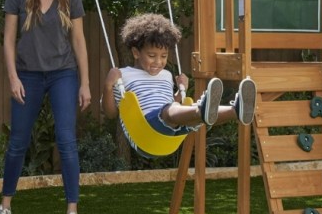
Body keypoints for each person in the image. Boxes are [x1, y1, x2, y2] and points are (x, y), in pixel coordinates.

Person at [0, 0, 91, 214]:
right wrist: (13, 77)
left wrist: (85, 83)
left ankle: (72, 212)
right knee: (18, 142)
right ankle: (4, 206)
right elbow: (7, 40)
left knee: (67, 141)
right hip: (27, 74)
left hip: (63, 74)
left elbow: (79, 41)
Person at [102, 13, 256, 155]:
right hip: (145, 131)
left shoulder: (166, 75)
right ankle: (200, 110)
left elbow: (171, 105)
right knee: (174, 111)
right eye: (151, 55)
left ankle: (236, 110)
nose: (158, 62)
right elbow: (111, 113)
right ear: (136, 53)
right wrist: (108, 86)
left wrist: (180, 92)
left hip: (171, 133)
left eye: (164, 56)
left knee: (189, 115)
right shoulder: (123, 75)